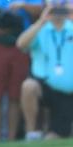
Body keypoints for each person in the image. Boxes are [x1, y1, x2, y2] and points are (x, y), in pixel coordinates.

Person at [0, 0, 41, 141]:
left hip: (20, 44)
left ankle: (11, 137)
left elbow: (40, 10)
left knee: (15, 94)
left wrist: (23, 6)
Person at [18, 2, 73, 138]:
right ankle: (32, 133)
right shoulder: (40, 29)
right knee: (28, 86)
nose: (57, 11)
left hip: (67, 92)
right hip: (45, 85)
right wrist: (42, 21)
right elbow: (21, 44)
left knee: (53, 137)